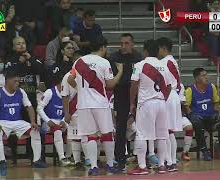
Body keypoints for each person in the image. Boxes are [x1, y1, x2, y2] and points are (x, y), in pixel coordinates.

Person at [67, 37, 123, 175]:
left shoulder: (79, 61)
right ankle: (110, 164)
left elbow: (69, 79)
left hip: (84, 104)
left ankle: (93, 166)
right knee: (107, 133)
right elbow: (110, 85)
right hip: (100, 103)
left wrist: (81, 90)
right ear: (103, 47)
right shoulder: (104, 62)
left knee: (90, 136)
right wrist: (120, 72)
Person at [0, 70, 46, 168]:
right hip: (2, 121)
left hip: (18, 121)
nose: (17, 83)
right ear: (7, 80)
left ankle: (36, 161)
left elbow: (29, 107)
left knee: (35, 130)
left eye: (18, 81)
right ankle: (2, 161)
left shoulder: (21, 92)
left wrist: (33, 122)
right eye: (15, 81)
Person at [128, 39, 172, 175]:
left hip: (146, 103)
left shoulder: (140, 65)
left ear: (145, 50)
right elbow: (169, 86)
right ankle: (162, 165)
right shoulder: (164, 66)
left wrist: (132, 103)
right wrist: (163, 98)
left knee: (141, 134)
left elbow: (134, 84)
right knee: (162, 135)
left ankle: (142, 166)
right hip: (161, 103)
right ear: (158, 50)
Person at [107, 33, 142, 170]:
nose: (123, 46)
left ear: (132, 44)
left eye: (126, 43)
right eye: (121, 43)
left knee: (142, 126)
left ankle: (142, 157)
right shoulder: (114, 58)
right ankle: (119, 158)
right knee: (120, 127)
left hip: (137, 94)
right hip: (120, 93)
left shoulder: (138, 58)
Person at [157, 37, 193, 168]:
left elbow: (165, 83)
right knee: (169, 131)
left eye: (158, 49)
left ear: (163, 48)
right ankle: (171, 160)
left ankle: (169, 160)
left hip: (168, 95)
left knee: (165, 131)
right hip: (173, 95)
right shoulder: (171, 61)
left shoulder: (166, 62)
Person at [185, 68, 220, 161]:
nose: (206, 77)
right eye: (203, 75)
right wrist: (191, 114)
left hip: (210, 118)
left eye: (206, 75)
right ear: (197, 78)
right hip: (198, 118)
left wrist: (216, 112)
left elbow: (216, 102)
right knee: (197, 122)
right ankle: (204, 151)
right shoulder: (190, 90)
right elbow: (186, 106)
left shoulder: (212, 87)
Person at [37, 66, 72, 166]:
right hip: (48, 122)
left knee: (72, 129)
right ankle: (62, 158)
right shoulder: (50, 92)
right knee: (57, 130)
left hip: (61, 121)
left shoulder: (69, 94)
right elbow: (39, 108)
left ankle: (69, 156)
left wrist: (64, 121)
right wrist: (47, 120)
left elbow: (69, 111)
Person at [61, 69, 88, 169]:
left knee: (89, 135)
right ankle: (77, 162)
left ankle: (92, 160)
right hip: (74, 110)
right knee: (75, 136)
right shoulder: (67, 76)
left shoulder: (89, 73)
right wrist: (66, 113)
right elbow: (64, 95)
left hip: (88, 108)